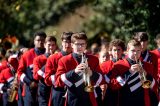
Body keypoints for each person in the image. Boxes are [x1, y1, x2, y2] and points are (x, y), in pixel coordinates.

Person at [104, 39, 158, 106]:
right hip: (126, 102)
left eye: (138, 51)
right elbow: (114, 85)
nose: (136, 53)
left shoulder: (148, 66)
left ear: (141, 50)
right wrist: (129, 72)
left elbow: (154, 86)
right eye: (133, 51)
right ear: (127, 51)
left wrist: (146, 74)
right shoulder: (119, 65)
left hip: (144, 102)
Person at [55, 32, 103, 106]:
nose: (80, 47)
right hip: (73, 99)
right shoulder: (64, 60)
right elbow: (58, 81)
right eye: (77, 44)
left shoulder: (93, 59)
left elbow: (101, 79)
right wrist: (74, 72)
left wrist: (92, 73)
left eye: (82, 44)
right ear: (72, 45)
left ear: (86, 45)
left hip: (90, 98)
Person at [17, 31, 46, 106]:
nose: (40, 42)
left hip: (46, 90)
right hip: (30, 90)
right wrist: (29, 82)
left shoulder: (50, 55)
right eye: (38, 40)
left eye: (43, 40)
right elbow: (20, 72)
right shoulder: (27, 55)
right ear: (34, 41)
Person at [45, 32, 73, 106]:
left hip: (75, 93)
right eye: (65, 42)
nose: (67, 45)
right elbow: (47, 79)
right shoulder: (53, 58)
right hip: (59, 92)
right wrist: (63, 79)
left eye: (70, 42)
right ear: (62, 42)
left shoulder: (78, 57)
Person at [100, 39, 125, 106]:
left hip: (124, 98)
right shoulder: (104, 65)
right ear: (111, 51)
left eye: (119, 49)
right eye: (114, 50)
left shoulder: (126, 64)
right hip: (109, 98)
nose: (116, 52)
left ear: (122, 51)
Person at [33, 36, 57, 106]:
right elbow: (36, 76)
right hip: (43, 91)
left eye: (53, 45)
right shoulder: (38, 59)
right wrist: (49, 61)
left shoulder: (59, 58)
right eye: (49, 45)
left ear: (55, 46)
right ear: (44, 45)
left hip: (56, 90)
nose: (51, 47)